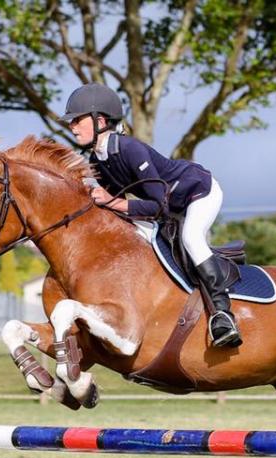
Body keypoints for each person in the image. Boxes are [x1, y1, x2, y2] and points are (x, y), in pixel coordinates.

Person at [61, 82, 242, 348]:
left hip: (197, 192)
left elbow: (159, 206)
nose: (72, 126)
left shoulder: (130, 149)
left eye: (77, 120)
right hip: (167, 206)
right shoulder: (98, 160)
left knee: (191, 238)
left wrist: (112, 201)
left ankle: (223, 314)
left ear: (100, 121)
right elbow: (115, 209)